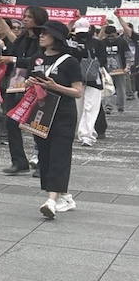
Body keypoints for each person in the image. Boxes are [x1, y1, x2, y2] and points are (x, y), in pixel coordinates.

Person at [27, 20, 84, 219]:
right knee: (45, 155)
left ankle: (51, 200)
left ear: (57, 38)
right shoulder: (36, 59)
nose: (41, 36)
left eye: (45, 33)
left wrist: (54, 86)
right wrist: (29, 83)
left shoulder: (70, 61)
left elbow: (77, 91)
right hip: (41, 114)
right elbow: (29, 84)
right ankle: (64, 195)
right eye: (40, 32)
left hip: (63, 115)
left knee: (59, 154)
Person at [0, 6, 45, 175]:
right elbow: (12, 49)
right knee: (10, 121)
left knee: (35, 124)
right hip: (16, 83)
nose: (25, 19)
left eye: (29, 16)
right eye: (24, 16)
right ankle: (18, 161)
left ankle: (42, 162)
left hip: (35, 83)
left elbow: (38, 59)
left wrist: (14, 59)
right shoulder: (23, 36)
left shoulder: (43, 37)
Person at [72, 19, 105, 147]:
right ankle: (83, 132)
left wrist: (88, 56)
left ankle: (87, 135)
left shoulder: (97, 43)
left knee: (90, 107)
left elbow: (103, 60)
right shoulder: (72, 43)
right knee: (79, 108)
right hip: (76, 79)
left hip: (93, 79)